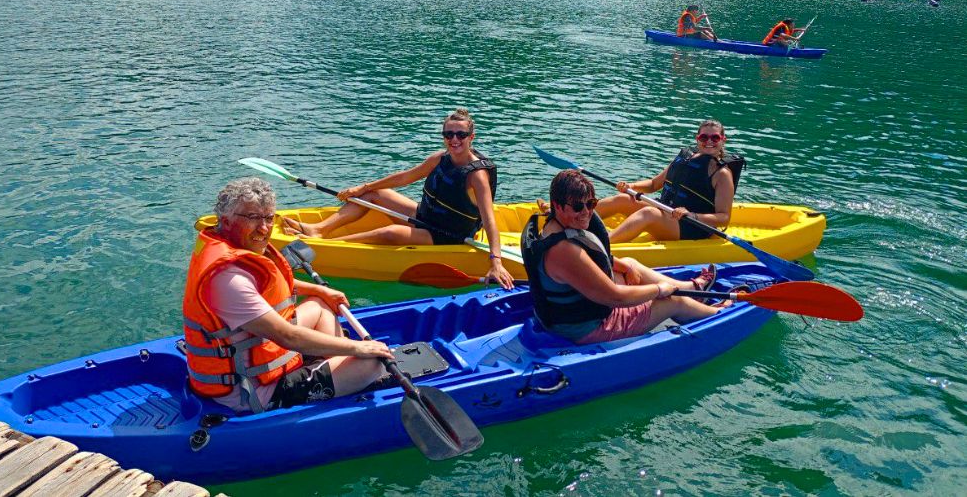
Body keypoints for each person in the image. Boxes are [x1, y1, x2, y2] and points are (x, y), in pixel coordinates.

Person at [182, 177, 391, 414]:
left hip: (259, 352)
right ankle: (337, 374)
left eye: (269, 218)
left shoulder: (231, 249)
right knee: (372, 363)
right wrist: (358, 348)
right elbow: (287, 336)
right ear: (226, 220)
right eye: (252, 217)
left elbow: (272, 285)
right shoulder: (229, 280)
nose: (264, 228)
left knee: (320, 305)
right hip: (253, 391)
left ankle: (331, 369)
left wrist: (320, 290)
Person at [281, 108, 515, 289]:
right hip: (426, 216)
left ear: (471, 137)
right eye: (448, 134)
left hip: (447, 234)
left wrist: (495, 262)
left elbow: (489, 220)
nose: (454, 139)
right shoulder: (440, 158)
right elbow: (405, 177)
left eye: (461, 134)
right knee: (373, 194)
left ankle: (328, 247)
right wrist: (362, 188)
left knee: (389, 233)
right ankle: (319, 230)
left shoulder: (477, 176)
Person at [520, 169, 725, 344]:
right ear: (557, 206)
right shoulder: (564, 251)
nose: (586, 212)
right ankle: (719, 316)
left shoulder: (552, 224)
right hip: (586, 328)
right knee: (673, 301)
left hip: (565, 316)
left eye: (591, 204)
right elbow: (615, 297)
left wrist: (626, 269)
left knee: (628, 264)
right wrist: (659, 290)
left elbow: (594, 261)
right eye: (578, 207)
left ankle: (692, 290)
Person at [596, 119, 744, 243]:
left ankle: (602, 244)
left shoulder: (722, 174)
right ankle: (582, 220)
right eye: (704, 137)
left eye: (715, 138)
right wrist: (631, 186)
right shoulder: (686, 157)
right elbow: (654, 184)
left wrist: (692, 215)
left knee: (649, 213)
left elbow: (724, 218)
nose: (709, 141)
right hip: (667, 211)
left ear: (723, 140)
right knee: (623, 199)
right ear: (697, 138)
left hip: (692, 225)